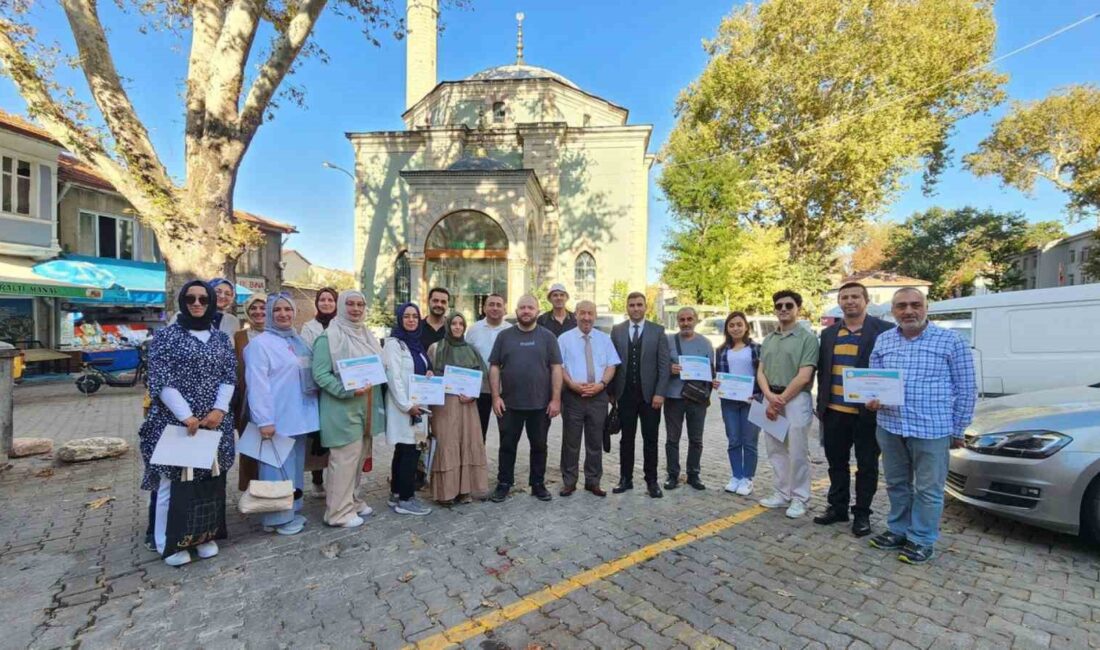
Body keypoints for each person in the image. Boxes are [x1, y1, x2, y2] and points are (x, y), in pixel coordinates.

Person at [866, 288, 976, 564]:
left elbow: (967, 388)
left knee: (929, 489)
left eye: (915, 304)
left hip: (932, 428)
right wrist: (871, 400)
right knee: (896, 483)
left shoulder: (950, 341)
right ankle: (898, 530)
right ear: (893, 311)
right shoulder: (883, 341)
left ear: (927, 307)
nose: (908, 311)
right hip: (890, 426)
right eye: (901, 306)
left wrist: (958, 429)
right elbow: (873, 382)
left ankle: (921, 539)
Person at [139, 280, 236, 566]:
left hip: (214, 422)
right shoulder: (167, 337)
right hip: (176, 422)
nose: (197, 304)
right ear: (183, 301)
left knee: (208, 480)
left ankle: (202, 535)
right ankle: (167, 542)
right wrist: (187, 416)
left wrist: (219, 410)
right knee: (172, 482)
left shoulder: (220, 339)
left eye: (203, 299)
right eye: (191, 299)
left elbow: (229, 376)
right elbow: (160, 379)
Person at [813, 282, 893, 537]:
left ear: (865, 300)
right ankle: (837, 508)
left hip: (867, 414)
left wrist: (884, 397)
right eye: (844, 297)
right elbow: (824, 372)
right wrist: (821, 406)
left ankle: (862, 514)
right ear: (839, 302)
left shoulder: (885, 331)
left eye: (855, 297)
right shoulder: (828, 334)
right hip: (834, 411)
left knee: (867, 466)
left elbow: (890, 371)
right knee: (836, 464)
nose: (849, 301)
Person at [244, 294, 319, 535]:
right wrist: (264, 420)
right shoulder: (260, 344)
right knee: (276, 470)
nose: (284, 314)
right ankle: (276, 518)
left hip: (299, 416)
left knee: (294, 467)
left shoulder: (298, 341)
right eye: (277, 310)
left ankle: (292, 509)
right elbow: (257, 385)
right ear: (268, 313)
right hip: (276, 419)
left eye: (288, 309)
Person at [311, 290, 387, 528]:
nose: (355, 309)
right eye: (350, 304)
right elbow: (320, 374)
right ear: (342, 306)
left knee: (357, 459)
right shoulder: (329, 337)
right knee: (343, 461)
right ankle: (336, 512)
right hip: (342, 408)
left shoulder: (366, 335)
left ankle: (351, 501)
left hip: (366, 409)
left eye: (360, 305)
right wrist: (347, 390)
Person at [488, 294, 563, 503]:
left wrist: (555, 399)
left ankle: (538, 484)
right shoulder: (504, 336)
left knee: (539, 445)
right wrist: (496, 397)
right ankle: (504, 483)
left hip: (540, 405)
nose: (526, 311)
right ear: (516, 311)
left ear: (537, 311)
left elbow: (556, 368)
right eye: (522, 308)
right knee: (507, 445)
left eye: (530, 307)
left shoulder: (548, 337)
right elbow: (494, 366)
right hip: (510, 404)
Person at [756, 290, 819, 518]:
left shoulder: (808, 339)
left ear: (797, 309)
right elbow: (760, 372)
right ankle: (781, 494)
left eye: (788, 306)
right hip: (770, 397)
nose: (783, 309)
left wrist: (779, 400)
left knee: (798, 451)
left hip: (796, 400)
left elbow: (804, 376)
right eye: (779, 305)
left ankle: (800, 497)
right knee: (775, 449)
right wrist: (769, 398)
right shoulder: (769, 339)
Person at [610, 291, 670, 498]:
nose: (635, 308)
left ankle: (651, 481)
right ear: (627, 308)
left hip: (650, 396)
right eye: (632, 305)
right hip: (625, 395)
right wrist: (612, 393)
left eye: (639, 305)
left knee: (650, 439)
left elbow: (664, 366)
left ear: (646, 307)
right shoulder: (617, 331)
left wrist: (660, 393)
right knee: (626, 439)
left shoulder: (658, 331)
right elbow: (612, 363)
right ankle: (625, 478)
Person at [557, 300, 620, 497]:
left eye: (590, 314)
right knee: (571, 441)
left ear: (595, 316)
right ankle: (569, 481)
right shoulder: (564, 339)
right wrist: (571, 384)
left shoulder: (604, 339)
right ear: (575, 315)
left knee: (595, 441)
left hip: (598, 397)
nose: (586, 317)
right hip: (573, 397)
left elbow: (612, 365)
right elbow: (560, 367)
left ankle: (593, 481)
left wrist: (601, 385)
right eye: (582, 313)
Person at [426, 312, 489, 504]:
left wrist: (473, 394)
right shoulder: (436, 348)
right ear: (448, 325)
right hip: (443, 406)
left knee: (466, 442)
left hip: (467, 405)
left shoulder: (472, 350)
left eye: (461, 324)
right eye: (454, 323)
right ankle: (446, 492)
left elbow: (482, 377)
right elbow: (428, 374)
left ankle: (465, 490)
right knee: (447, 444)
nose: (457, 327)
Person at [383, 302, 434, 516]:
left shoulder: (415, 344)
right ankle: (406, 499)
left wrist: (429, 372)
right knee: (409, 452)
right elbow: (393, 377)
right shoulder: (394, 344)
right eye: (407, 316)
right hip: (404, 407)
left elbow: (422, 366)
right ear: (400, 319)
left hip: (417, 406)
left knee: (405, 450)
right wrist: (407, 405)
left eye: (415, 316)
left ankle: (396, 493)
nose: (411, 320)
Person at [664, 307, 714, 491]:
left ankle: (693, 474)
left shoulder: (706, 343)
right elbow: (660, 365)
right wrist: (670, 368)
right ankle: (672, 475)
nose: (686, 323)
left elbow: (711, 370)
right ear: (677, 321)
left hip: (696, 399)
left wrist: (708, 393)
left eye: (689, 319)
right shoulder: (668, 341)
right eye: (682, 319)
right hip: (673, 397)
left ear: (696, 320)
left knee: (696, 439)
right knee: (672, 439)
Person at [713, 311, 762, 496]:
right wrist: (716, 382)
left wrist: (758, 395)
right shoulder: (721, 350)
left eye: (739, 324)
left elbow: (762, 375)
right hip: (729, 402)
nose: (735, 328)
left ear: (746, 327)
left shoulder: (756, 348)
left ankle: (748, 478)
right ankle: (736, 475)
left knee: (749, 441)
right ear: (727, 328)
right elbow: (720, 375)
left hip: (752, 400)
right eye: (731, 325)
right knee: (733, 440)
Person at [300, 287, 339, 497]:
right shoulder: (309, 327)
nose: (326, 303)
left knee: (334, 433)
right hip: (318, 385)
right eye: (322, 300)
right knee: (318, 434)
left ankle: (335, 479)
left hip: (339, 384)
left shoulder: (341, 325)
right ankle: (317, 479)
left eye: (330, 300)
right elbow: (306, 354)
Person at [232, 293, 267, 492]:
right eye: (253, 308)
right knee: (250, 446)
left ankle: (273, 491)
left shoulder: (279, 334)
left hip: (275, 399)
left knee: (273, 447)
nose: (258, 312)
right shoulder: (239, 336)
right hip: (246, 399)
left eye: (262, 308)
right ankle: (250, 489)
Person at [466, 293, 511, 438]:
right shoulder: (473, 330)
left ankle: (505, 461)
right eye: (491, 304)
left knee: (507, 432)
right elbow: (467, 359)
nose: (495, 308)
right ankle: (477, 460)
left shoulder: (511, 331)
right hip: (480, 389)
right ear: (484, 308)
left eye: (499, 305)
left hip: (506, 389)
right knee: (478, 432)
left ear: (505, 309)